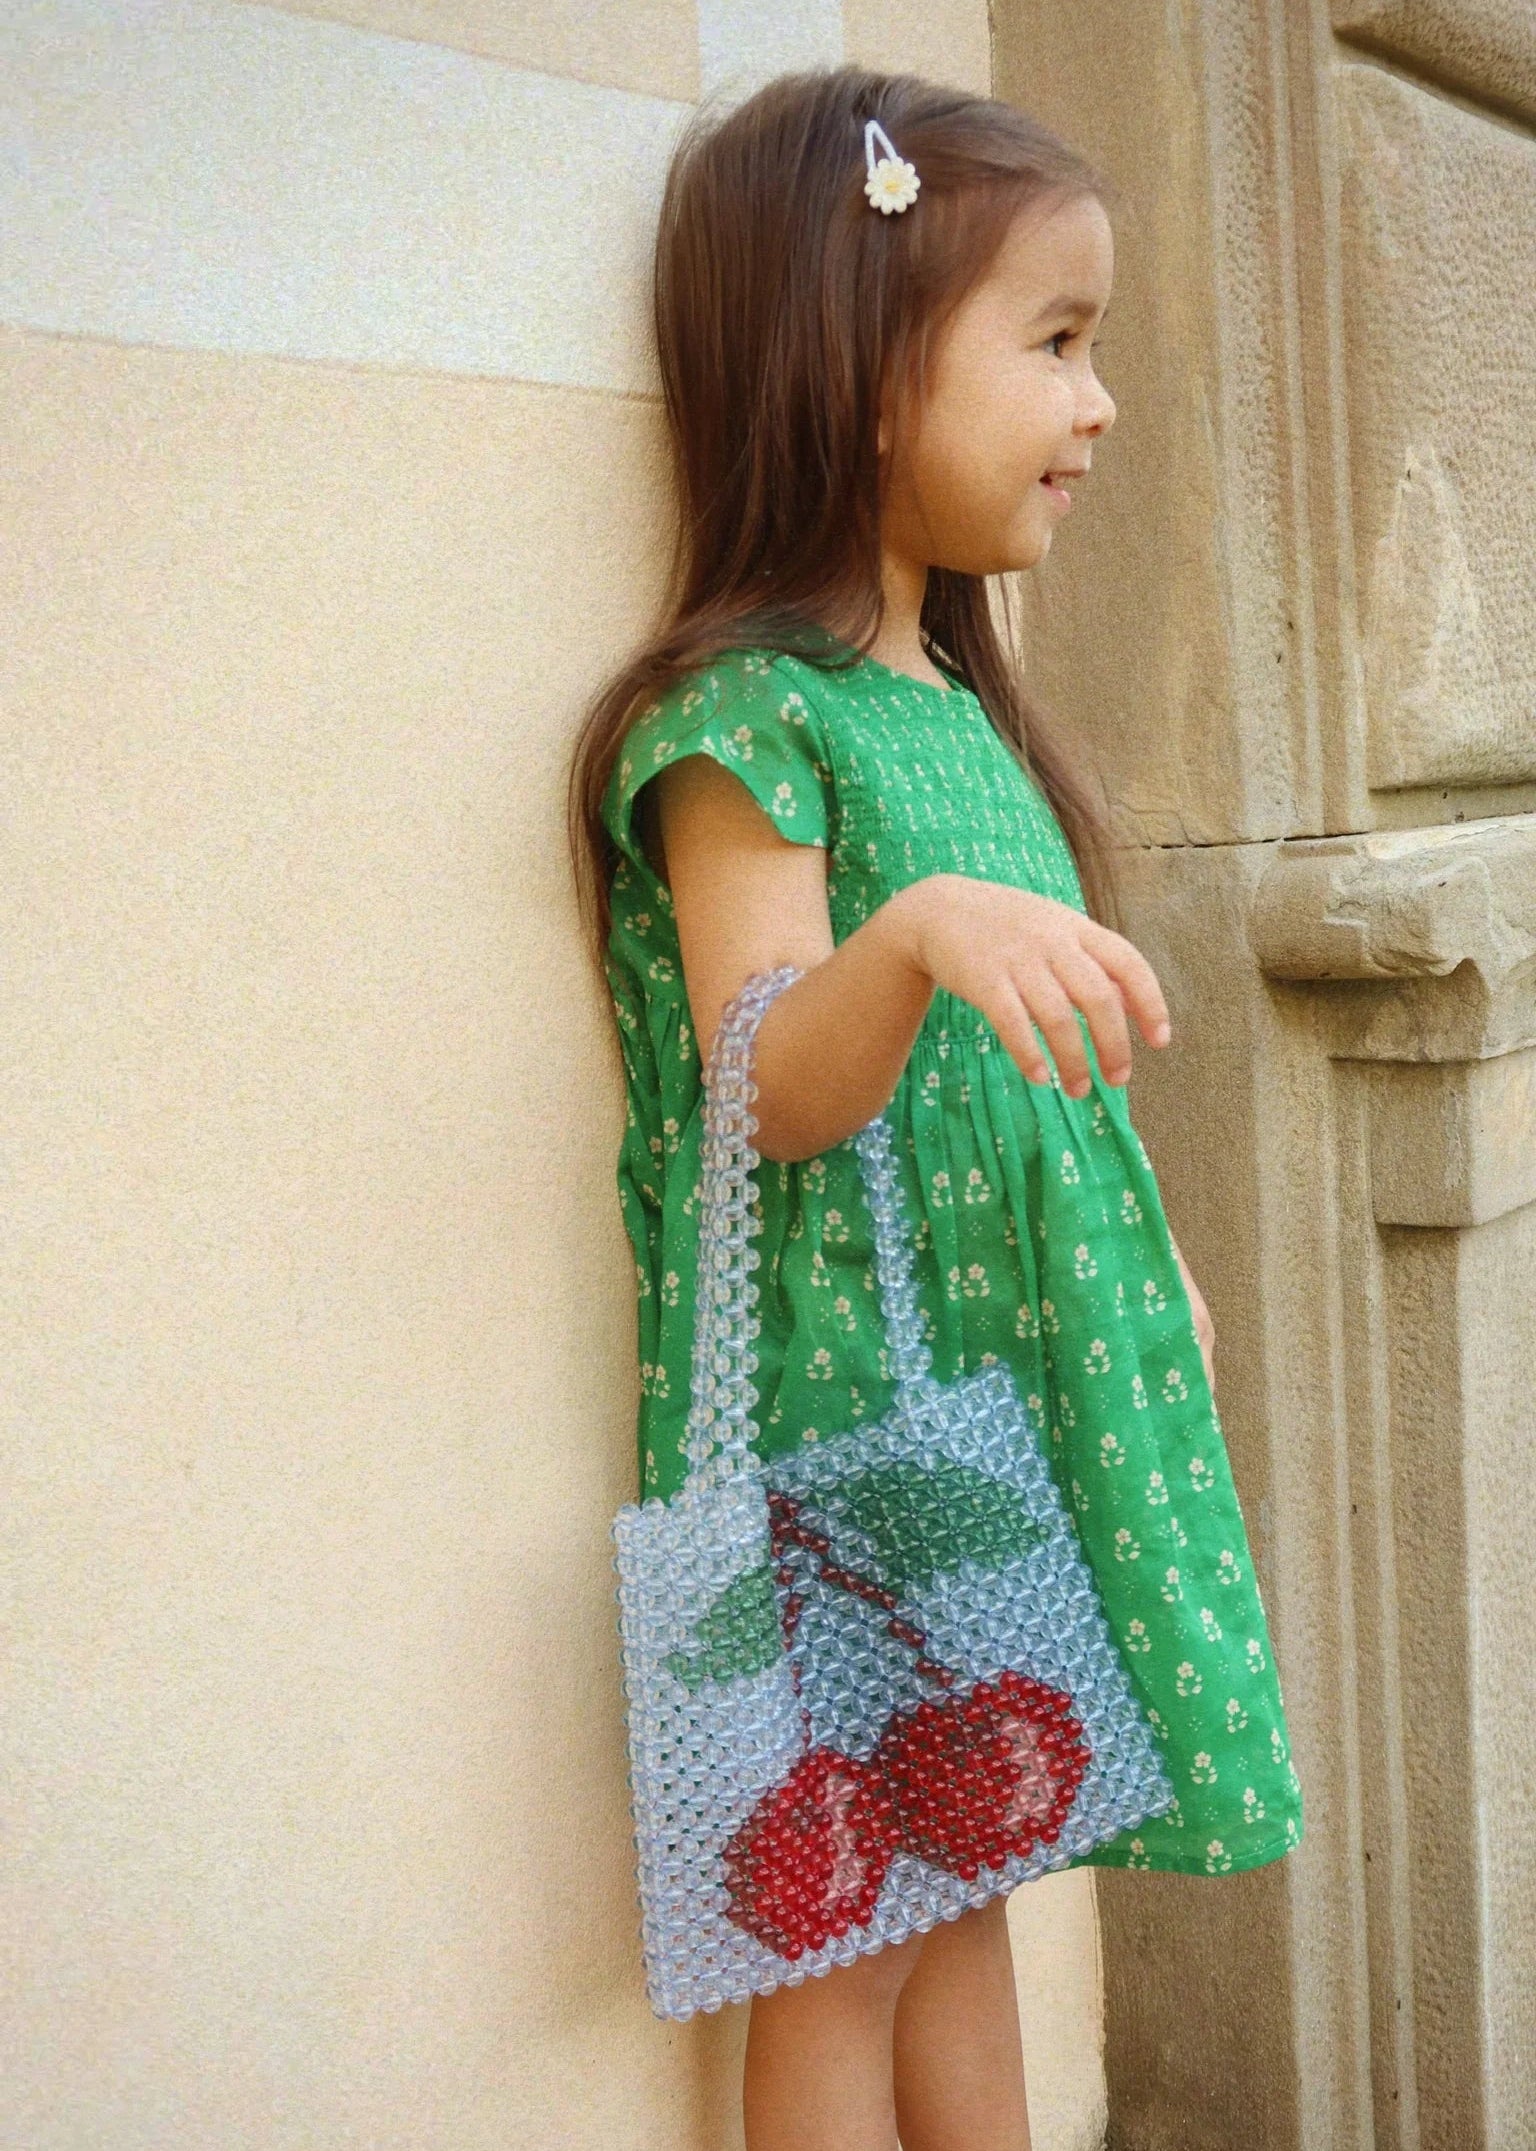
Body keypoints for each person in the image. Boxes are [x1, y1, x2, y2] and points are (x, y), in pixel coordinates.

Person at [568, 64, 1303, 2151]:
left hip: (984, 1396)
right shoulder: (745, 722)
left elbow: (1040, 1090)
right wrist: (913, 940)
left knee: (976, 1872)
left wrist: (1150, 1262)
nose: (1097, 405)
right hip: (849, 1416)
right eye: (1055, 343)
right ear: (864, 365)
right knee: (845, 1936)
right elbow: (764, 1087)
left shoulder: (957, 709)